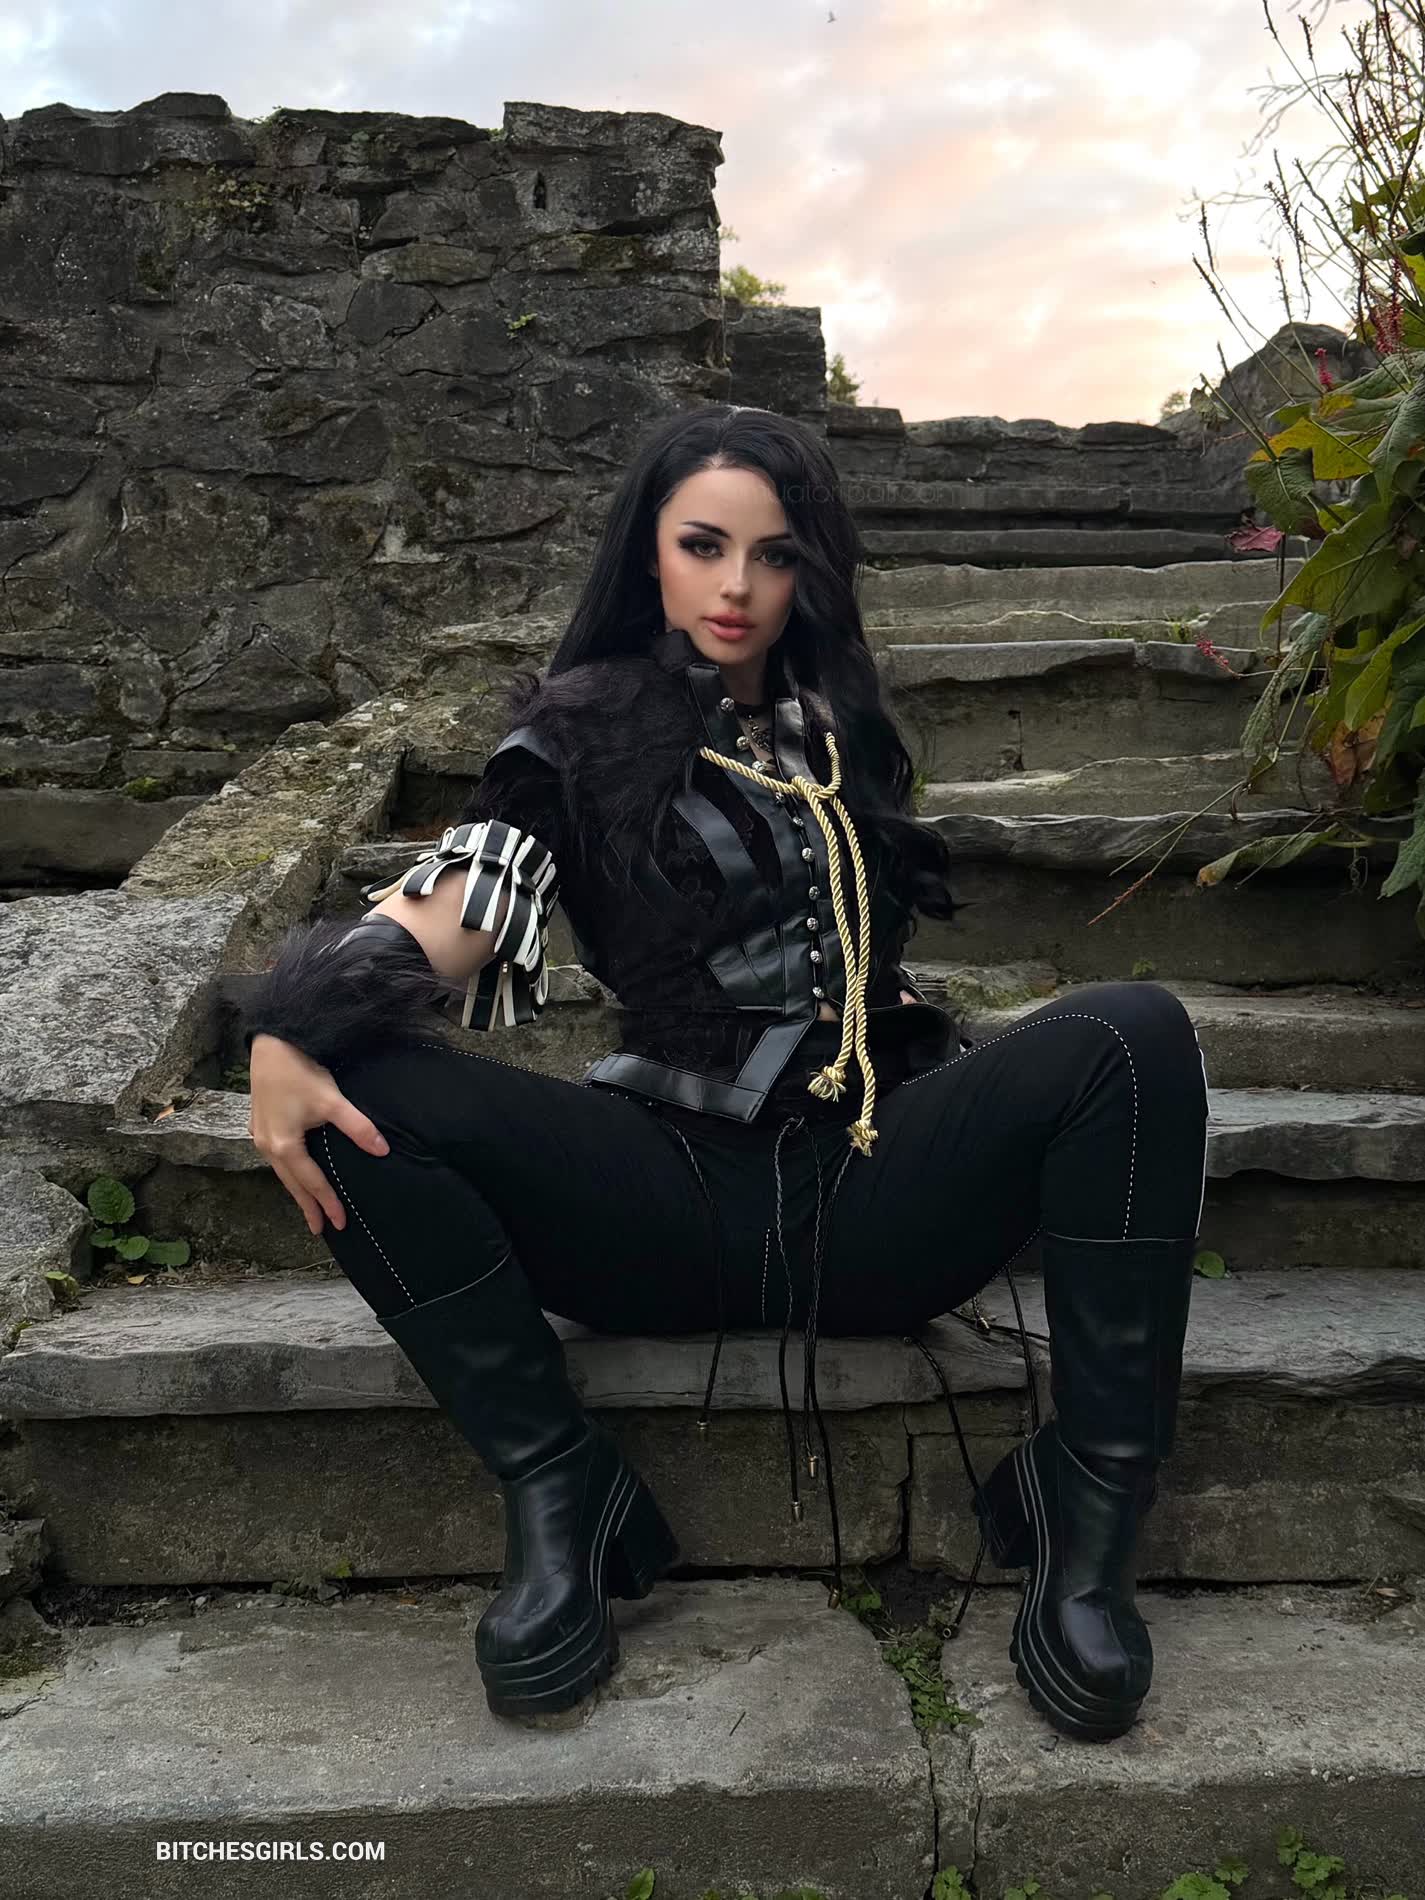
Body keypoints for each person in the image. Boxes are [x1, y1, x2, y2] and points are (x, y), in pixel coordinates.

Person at [243, 402, 1210, 1741]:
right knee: (363, 1093)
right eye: (704, 546)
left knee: (1134, 1032)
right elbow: (465, 897)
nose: (738, 586)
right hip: (663, 1198)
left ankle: (1088, 1511)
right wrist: (292, 1025)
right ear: (649, 551)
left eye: (775, 554)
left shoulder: (842, 730)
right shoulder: (579, 733)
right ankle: (557, 1485)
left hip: (864, 1198)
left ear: (812, 568)